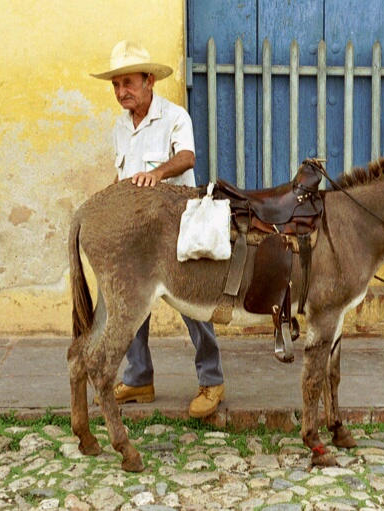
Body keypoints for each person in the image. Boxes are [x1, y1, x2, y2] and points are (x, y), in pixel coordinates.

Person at [90, 40, 224, 418]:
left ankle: (212, 381)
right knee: (130, 307)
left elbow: (187, 156)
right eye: (116, 86)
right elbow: (123, 176)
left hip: (176, 228)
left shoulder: (175, 116)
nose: (121, 92)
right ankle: (139, 379)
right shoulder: (120, 125)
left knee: (194, 306)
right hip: (136, 232)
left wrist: (157, 173)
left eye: (128, 83)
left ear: (149, 81)